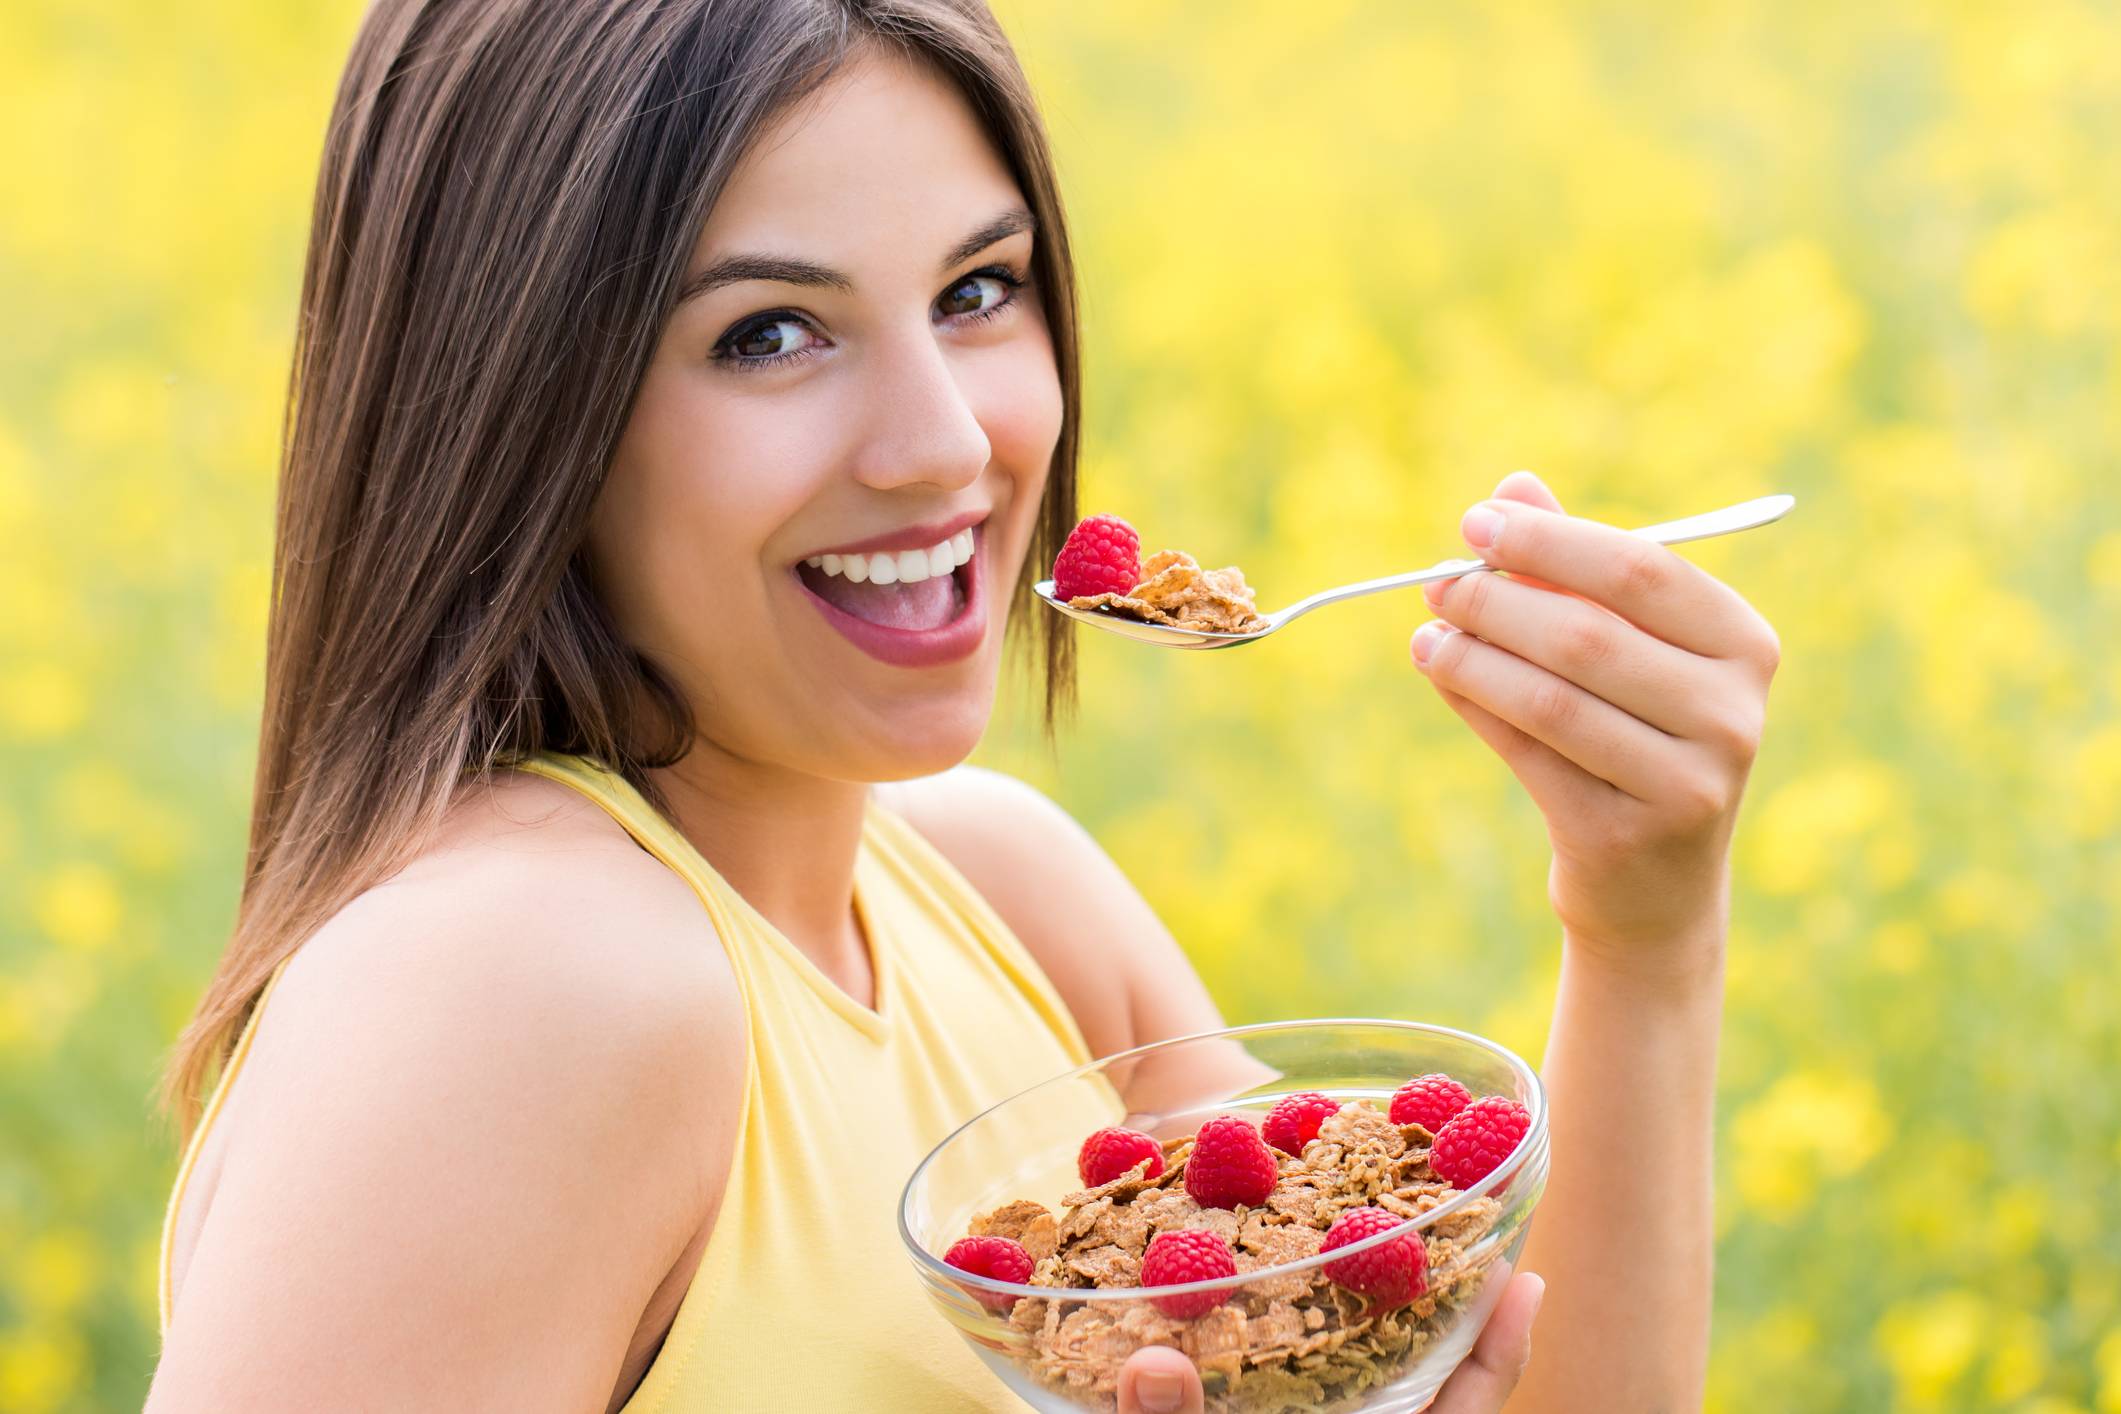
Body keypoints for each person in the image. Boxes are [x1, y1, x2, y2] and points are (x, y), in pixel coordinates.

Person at [144, 1, 1777, 1410]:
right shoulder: (508, 988)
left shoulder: (1007, 891)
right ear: (520, 406)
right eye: (768, 334)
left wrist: (1638, 923)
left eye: (978, 291)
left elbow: (1452, 1358)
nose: (940, 442)